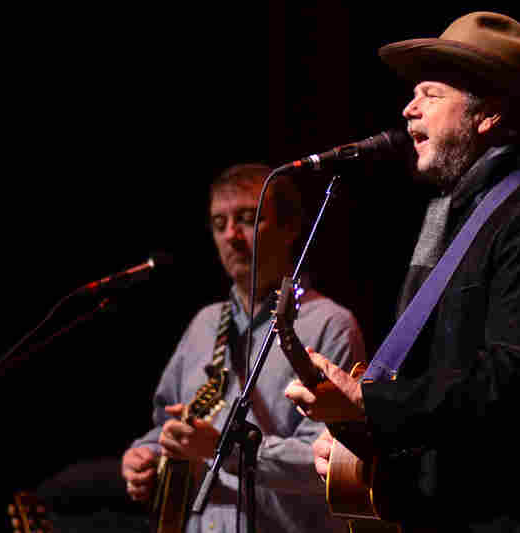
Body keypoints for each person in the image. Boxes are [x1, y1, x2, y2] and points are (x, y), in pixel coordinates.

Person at [285, 11, 520, 532]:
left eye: (431, 94)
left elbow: (518, 385)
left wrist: (368, 401)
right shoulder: (449, 210)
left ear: (486, 115)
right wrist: (363, 438)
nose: (408, 108)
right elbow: (432, 388)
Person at [123, 163, 366, 532]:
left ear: (290, 228)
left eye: (249, 219)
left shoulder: (330, 323)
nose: (231, 236)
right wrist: (145, 454)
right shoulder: (204, 323)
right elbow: (166, 424)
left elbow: (333, 458)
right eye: (219, 224)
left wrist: (226, 448)